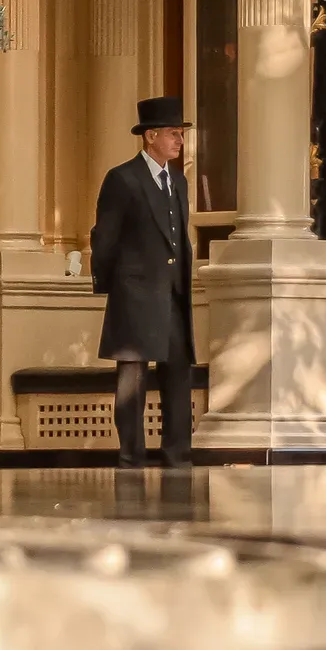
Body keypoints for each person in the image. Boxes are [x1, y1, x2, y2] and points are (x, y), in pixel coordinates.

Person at [90, 96, 194, 468]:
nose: (180, 141)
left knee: (178, 374)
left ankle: (178, 456)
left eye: (180, 134)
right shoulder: (123, 178)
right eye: (173, 133)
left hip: (173, 294)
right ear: (151, 136)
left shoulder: (178, 181)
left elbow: (178, 236)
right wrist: (114, 286)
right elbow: (105, 237)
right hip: (134, 294)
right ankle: (131, 457)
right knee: (132, 382)